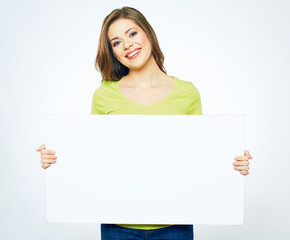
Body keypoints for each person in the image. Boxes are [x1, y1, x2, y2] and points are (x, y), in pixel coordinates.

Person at [36, 6, 253, 240]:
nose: (127, 45)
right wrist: (58, 158)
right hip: (117, 226)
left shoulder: (187, 93)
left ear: (148, 34)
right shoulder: (103, 95)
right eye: (116, 42)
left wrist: (230, 162)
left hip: (175, 226)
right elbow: (93, 157)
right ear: (113, 53)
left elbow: (198, 157)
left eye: (132, 34)